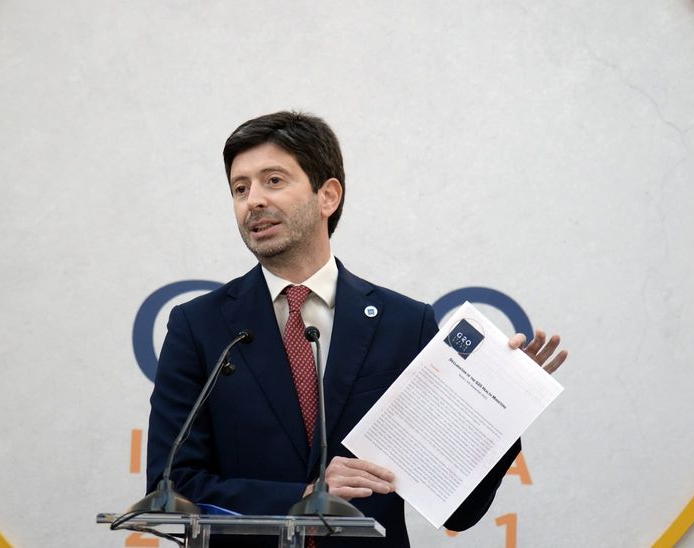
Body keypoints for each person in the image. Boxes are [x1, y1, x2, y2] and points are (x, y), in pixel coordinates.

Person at [146, 111, 567, 547]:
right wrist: (301, 499)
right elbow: (169, 486)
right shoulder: (199, 326)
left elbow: (461, 511)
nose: (252, 200)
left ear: (328, 196)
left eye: (273, 180)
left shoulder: (404, 324)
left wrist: (503, 406)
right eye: (240, 188)